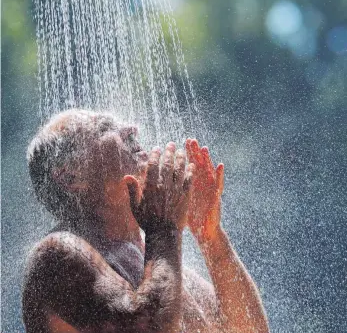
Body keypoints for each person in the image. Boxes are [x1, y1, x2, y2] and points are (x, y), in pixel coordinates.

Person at [22, 109, 269, 333]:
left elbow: (249, 329)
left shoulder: (155, 260)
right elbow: (147, 329)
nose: (132, 129)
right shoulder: (56, 255)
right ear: (71, 177)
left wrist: (211, 237)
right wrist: (164, 229)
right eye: (105, 127)